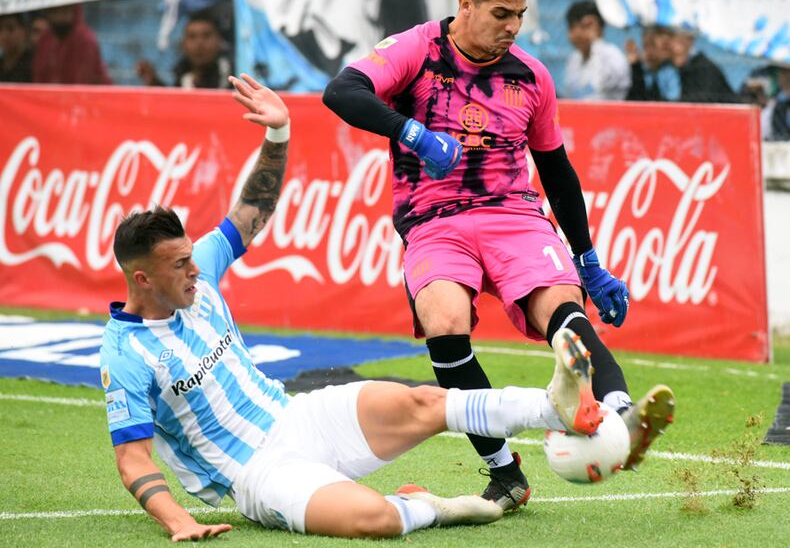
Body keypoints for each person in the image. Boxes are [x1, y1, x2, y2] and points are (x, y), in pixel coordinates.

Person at [101, 74, 608, 540]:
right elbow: (132, 460)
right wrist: (179, 521)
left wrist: (278, 134)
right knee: (376, 521)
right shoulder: (125, 352)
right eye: (180, 265)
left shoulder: (202, 272)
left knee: (424, 403)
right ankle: (441, 507)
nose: (195, 270)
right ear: (142, 278)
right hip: (259, 474)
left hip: (298, 417)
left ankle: (556, 405)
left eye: (193, 257)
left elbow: (252, 210)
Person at [323, 0, 674, 511]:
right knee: (444, 320)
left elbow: (556, 168)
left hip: (514, 215)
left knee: (563, 312)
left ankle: (620, 416)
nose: (512, 27)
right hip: (434, 219)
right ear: (465, 5)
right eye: (501, 13)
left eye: (521, 15)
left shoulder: (531, 75)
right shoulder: (418, 49)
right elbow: (342, 92)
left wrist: (588, 259)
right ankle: (503, 468)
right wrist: (413, 132)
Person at [136, 10, 232, 89]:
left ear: (219, 41)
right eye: (192, 37)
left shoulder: (231, 75)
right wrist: (153, 82)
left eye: (206, 36)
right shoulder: (183, 76)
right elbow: (174, 104)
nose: (199, 44)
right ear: (183, 44)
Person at [562, 0, 631, 100]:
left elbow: (597, 85)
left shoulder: (614, 56)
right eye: (571, 27)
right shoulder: (574, 59)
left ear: (599, 28)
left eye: (584, 26)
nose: (576, 33)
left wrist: (596, 42)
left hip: (609, 113)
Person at [32, 3, 112, 85]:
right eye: (55, 12)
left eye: (65, 11)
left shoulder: (85, 40)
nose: (60, 17)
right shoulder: (45, 39)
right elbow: (39, 78)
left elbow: (82, 83)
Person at [665, 28, 737, 103]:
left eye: (677, 40)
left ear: (689, 41)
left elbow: (697, 105)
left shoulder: (703, 70)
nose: (668, 46)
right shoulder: (670, 68)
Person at [625, 25, 673, 102]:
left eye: (653, 45)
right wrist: (635, 66)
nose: (649, 51)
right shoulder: (636, 70)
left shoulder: (670, 71)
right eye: (646, 46)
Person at [0, 12, 33, 83]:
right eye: (0, 29)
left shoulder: (35, 63)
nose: (4, 36)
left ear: (25, 31)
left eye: (10, 29)